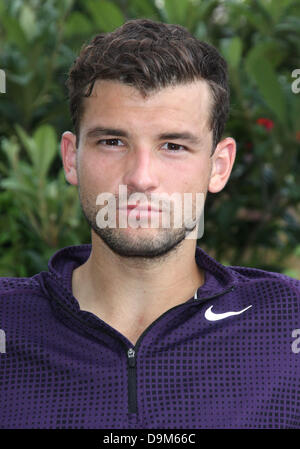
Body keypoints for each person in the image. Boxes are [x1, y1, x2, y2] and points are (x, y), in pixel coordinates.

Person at [0, 18, 299, 430]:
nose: (141, 177)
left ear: (219, 167)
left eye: (173, 146)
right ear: (71, 158)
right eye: (112, 142)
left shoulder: (288, 325)